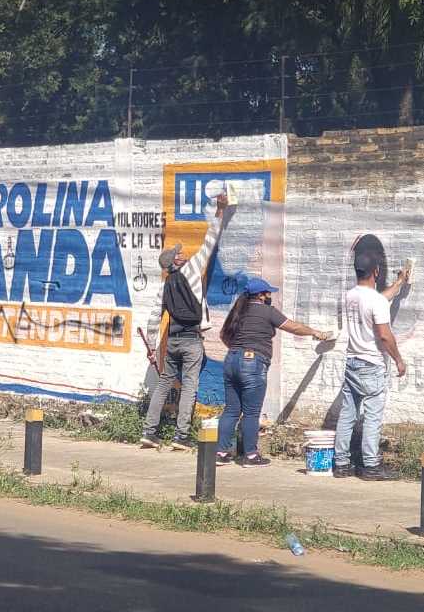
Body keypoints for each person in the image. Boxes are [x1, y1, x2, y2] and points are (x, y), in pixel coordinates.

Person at [139, 191, 230, 451]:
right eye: (180, 253)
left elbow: (154, 317)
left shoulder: (165, 286)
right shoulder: (191, 270)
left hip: (173, 343)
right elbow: (209, 242)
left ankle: (149, 432)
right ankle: (180, 437)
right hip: (192, 341)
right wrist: (220, 211)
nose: (184, 253)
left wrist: (153, 349)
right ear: (177, 261)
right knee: (190, 385)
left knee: (163, 385)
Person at [216, 278, 332, 467]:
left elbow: (223, 335)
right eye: (268, 293)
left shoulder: (238, 311)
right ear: (261, 295)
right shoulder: (267, 311)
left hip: (231, 359)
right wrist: (315, 332)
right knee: (251, 412)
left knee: (231, 410)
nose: (270, 296)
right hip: (252, 362)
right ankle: (251, 456)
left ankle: (220, 453)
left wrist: (238, 351)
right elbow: (292, 326)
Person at [333, 247, 409, 481]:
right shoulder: (375, 301)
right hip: (372, 364)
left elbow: (378, 300)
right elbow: (385, 335)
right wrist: (398, 359)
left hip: (352, 361)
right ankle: (371, 465)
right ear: (376, 271)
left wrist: (398, 283)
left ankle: (342, 464)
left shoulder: (349, 296)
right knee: (373, 416)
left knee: (348, 414)